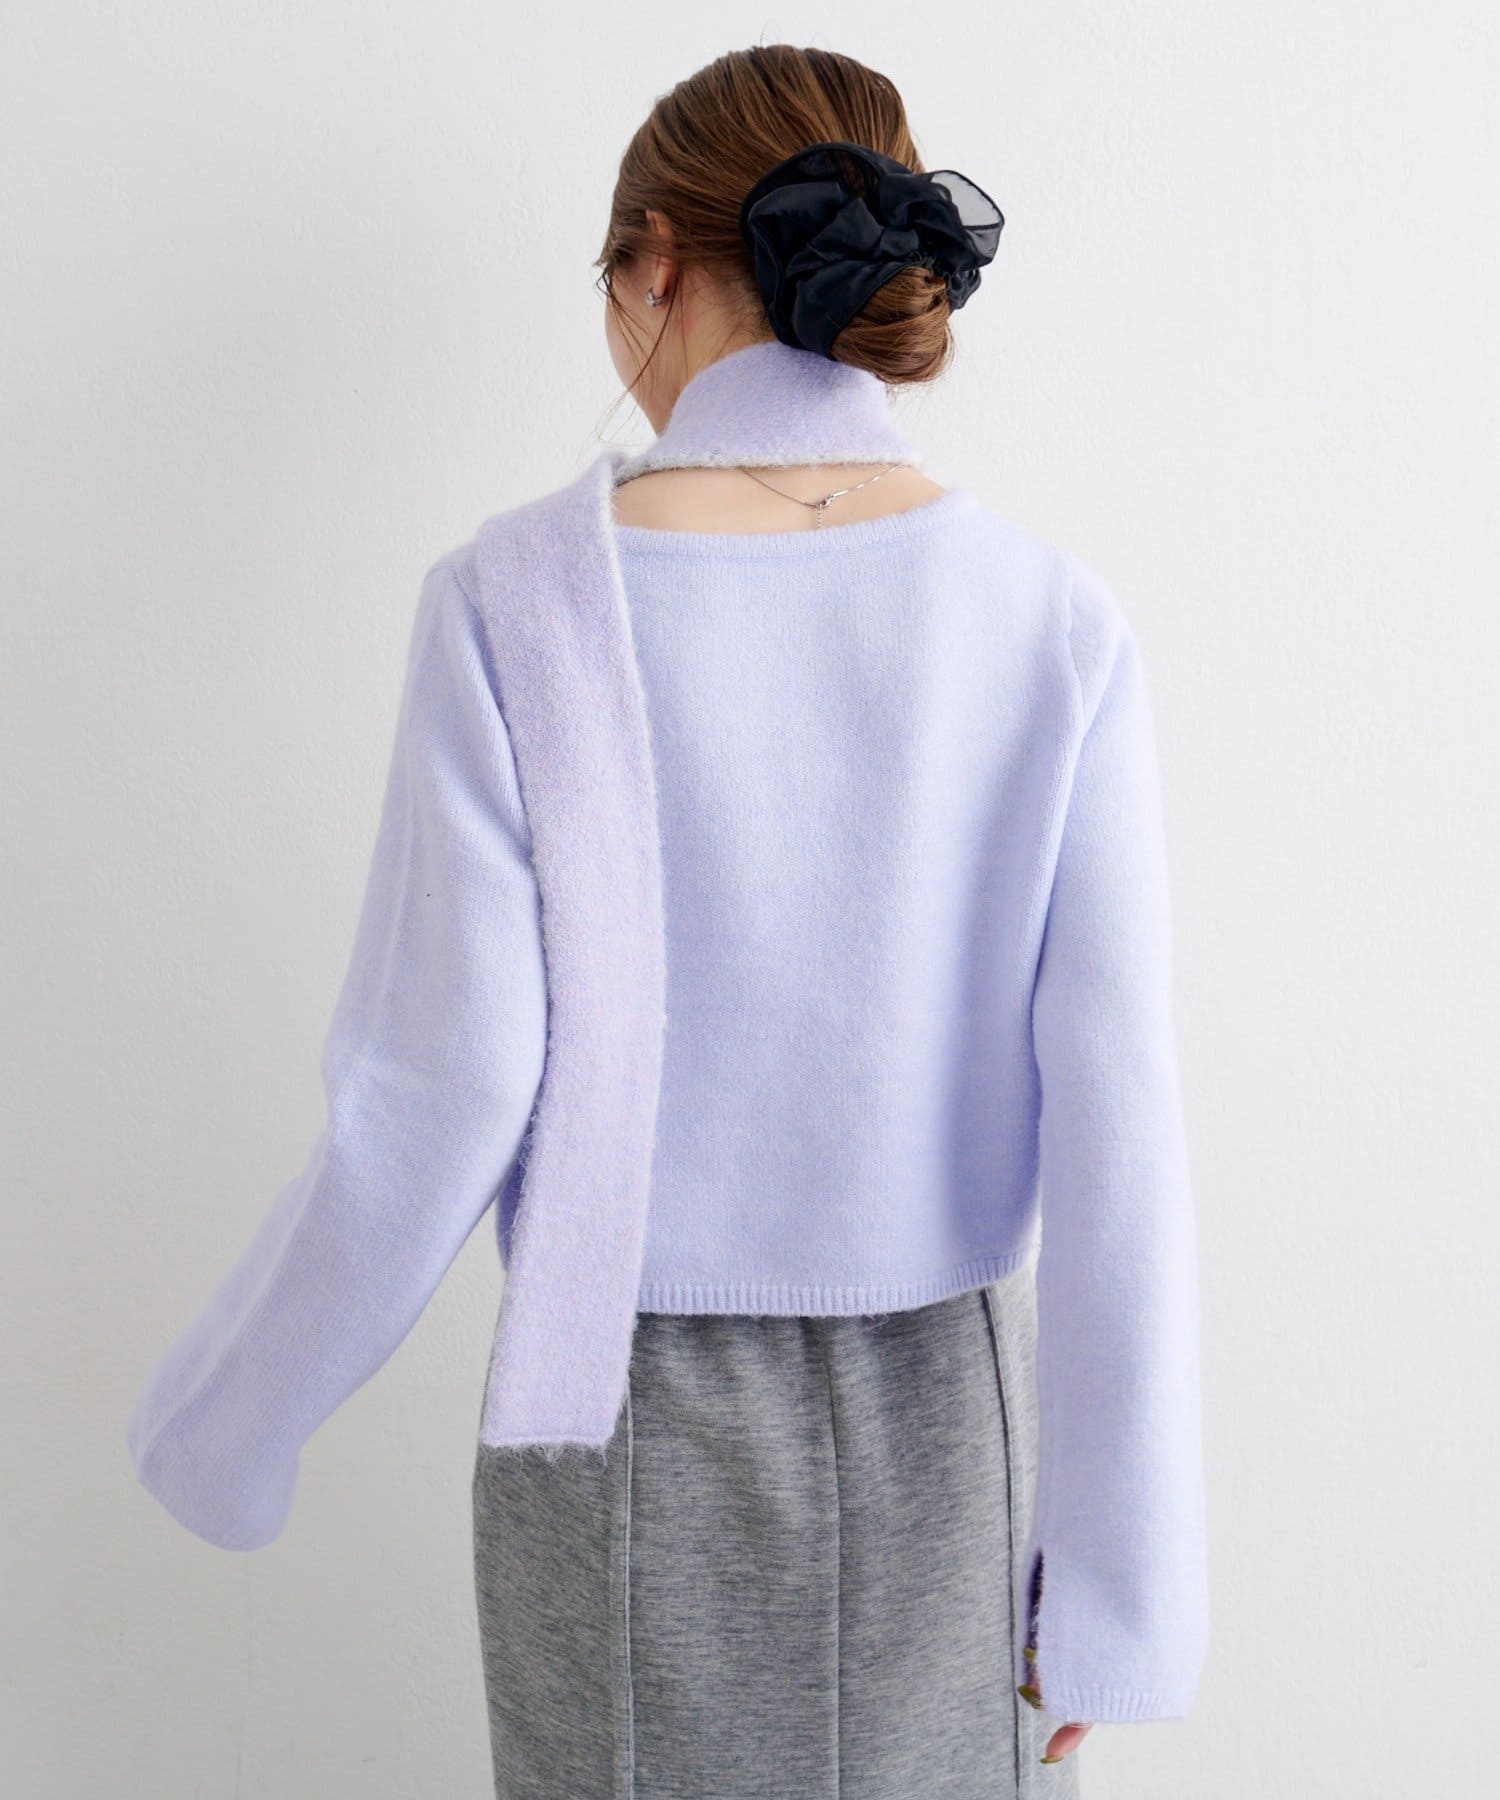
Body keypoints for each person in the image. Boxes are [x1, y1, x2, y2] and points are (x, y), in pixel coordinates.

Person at [126, 43, 1208, 1797]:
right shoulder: (1047, 619)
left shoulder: (516, 602)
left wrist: (223, 1423)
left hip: (617, 1412)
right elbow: (1120, 1119)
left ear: (650, 261)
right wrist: (1118, 1596)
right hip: (959, 1415)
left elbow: (437, 1091)